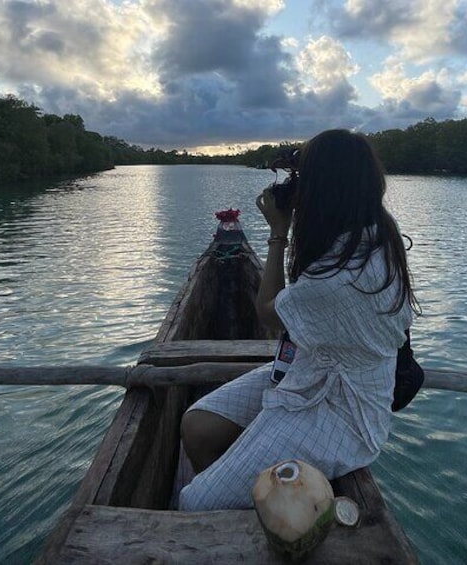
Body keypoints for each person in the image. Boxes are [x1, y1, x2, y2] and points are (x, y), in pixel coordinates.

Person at [179, 129, 418, 511]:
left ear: (325, 191)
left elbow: (268, 312)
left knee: (194, 502)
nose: (297, 189)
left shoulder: (341, 277)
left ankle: (227, 505)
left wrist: (278, 233)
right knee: (198, 425)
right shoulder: (372, 235)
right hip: (310, 372)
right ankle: (247, 506)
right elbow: (301, 308)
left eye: (303, 180)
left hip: (343, 410)